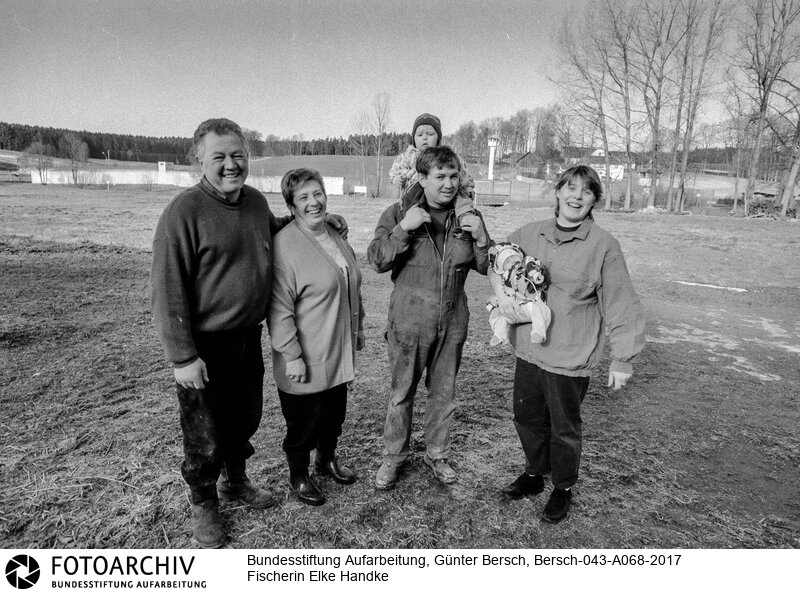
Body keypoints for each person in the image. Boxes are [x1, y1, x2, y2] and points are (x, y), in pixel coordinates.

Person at [150, 118, 347, 548]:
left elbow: (276, 230)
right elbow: (167, 290)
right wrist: (182, 357)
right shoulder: (183, 213)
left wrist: (322, 220)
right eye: (218, 156)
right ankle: (205, 504)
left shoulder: (254, 202)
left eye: (238, 155)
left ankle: (235, 481)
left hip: (247, 338)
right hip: (204, 345)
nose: (230, 164)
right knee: (204, 432)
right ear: (197, 160)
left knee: (243, 419)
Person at [492, 165, 645, 523]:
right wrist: (502, 293)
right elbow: (496, 259)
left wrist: (623, 357)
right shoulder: (531, 233)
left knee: (564, 427)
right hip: (531, 350)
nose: (577, 196)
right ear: (558, 192)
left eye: (586, 191)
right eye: (570, 188)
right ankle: (533, 474)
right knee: (527, 416)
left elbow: (620, 300)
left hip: (570, 356)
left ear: (594, 200)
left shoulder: (603, 246)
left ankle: (562, 487)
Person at [368, 145, 490, 489]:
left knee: (444, 396)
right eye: (440, 177)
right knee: (400, 393)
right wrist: (403, 230)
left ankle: (437, 454)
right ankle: (393, 458)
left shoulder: (468, 216)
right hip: (408, 322)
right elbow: (377, 259)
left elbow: (484, 266)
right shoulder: (398, 212)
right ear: (422, 178)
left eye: (454, 176)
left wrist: (481, 238)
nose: (449, 184)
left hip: (452, 323)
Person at [268, 168, 364, 507]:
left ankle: (326, 460)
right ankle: (299, 474)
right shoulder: (285, 247)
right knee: (303, 423)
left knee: (333, 415)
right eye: (303, 197)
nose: (314, 202)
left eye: (318, 193)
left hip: (337, 349)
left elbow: (350, 283)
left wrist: (359, 327)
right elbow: (279, 308)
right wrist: (290, 354)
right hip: (305, 355)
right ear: (291, 206)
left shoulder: (334, 234)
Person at [388, 113, 475, 224]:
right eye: (419, 135)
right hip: (415, 195)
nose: (425, 138)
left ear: (438, 137)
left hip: (445, 198)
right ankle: (409, 219)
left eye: (430, 134)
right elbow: (394, 171)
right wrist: (397, 179)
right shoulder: (407, 156)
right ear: (414, 139)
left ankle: (464, 216)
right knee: (411, 198)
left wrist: (468, 188)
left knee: (460, 196)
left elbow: (463, 174)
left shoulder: (448, 157)